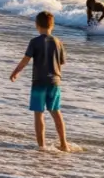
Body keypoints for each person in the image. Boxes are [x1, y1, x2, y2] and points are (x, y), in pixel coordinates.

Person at [9, 11, 70, 152]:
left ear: (37, 25)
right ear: (52, 25)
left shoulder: (34, 42)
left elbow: (25, 60)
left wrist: (15, 72)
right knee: (56, 111)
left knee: (38, 113)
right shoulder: (58, 42)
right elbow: (62, 63)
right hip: (55, 82)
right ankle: (64, 144)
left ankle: (41, 146)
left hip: (39, 82)